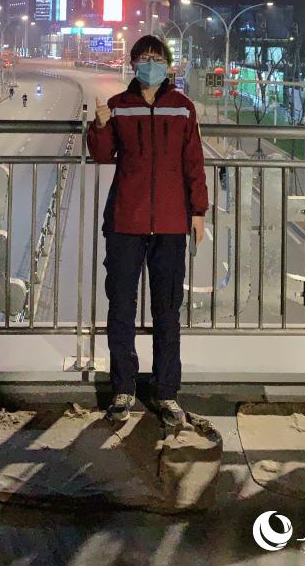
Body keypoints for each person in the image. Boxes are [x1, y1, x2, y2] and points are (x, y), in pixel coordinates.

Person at [88, 34, 208, 427]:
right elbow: (102, 154)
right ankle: (123, 388)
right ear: (133, 63)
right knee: (121, 307)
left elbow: (193, 161)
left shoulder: (183, 107)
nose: (150, 64)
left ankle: (166, 391)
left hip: (172, 223)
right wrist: (100, 125)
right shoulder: (118, 106)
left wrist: (198, 211)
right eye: (143, 58)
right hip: (126, 220)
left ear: (168, 65)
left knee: (167, 311)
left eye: (157, 58)